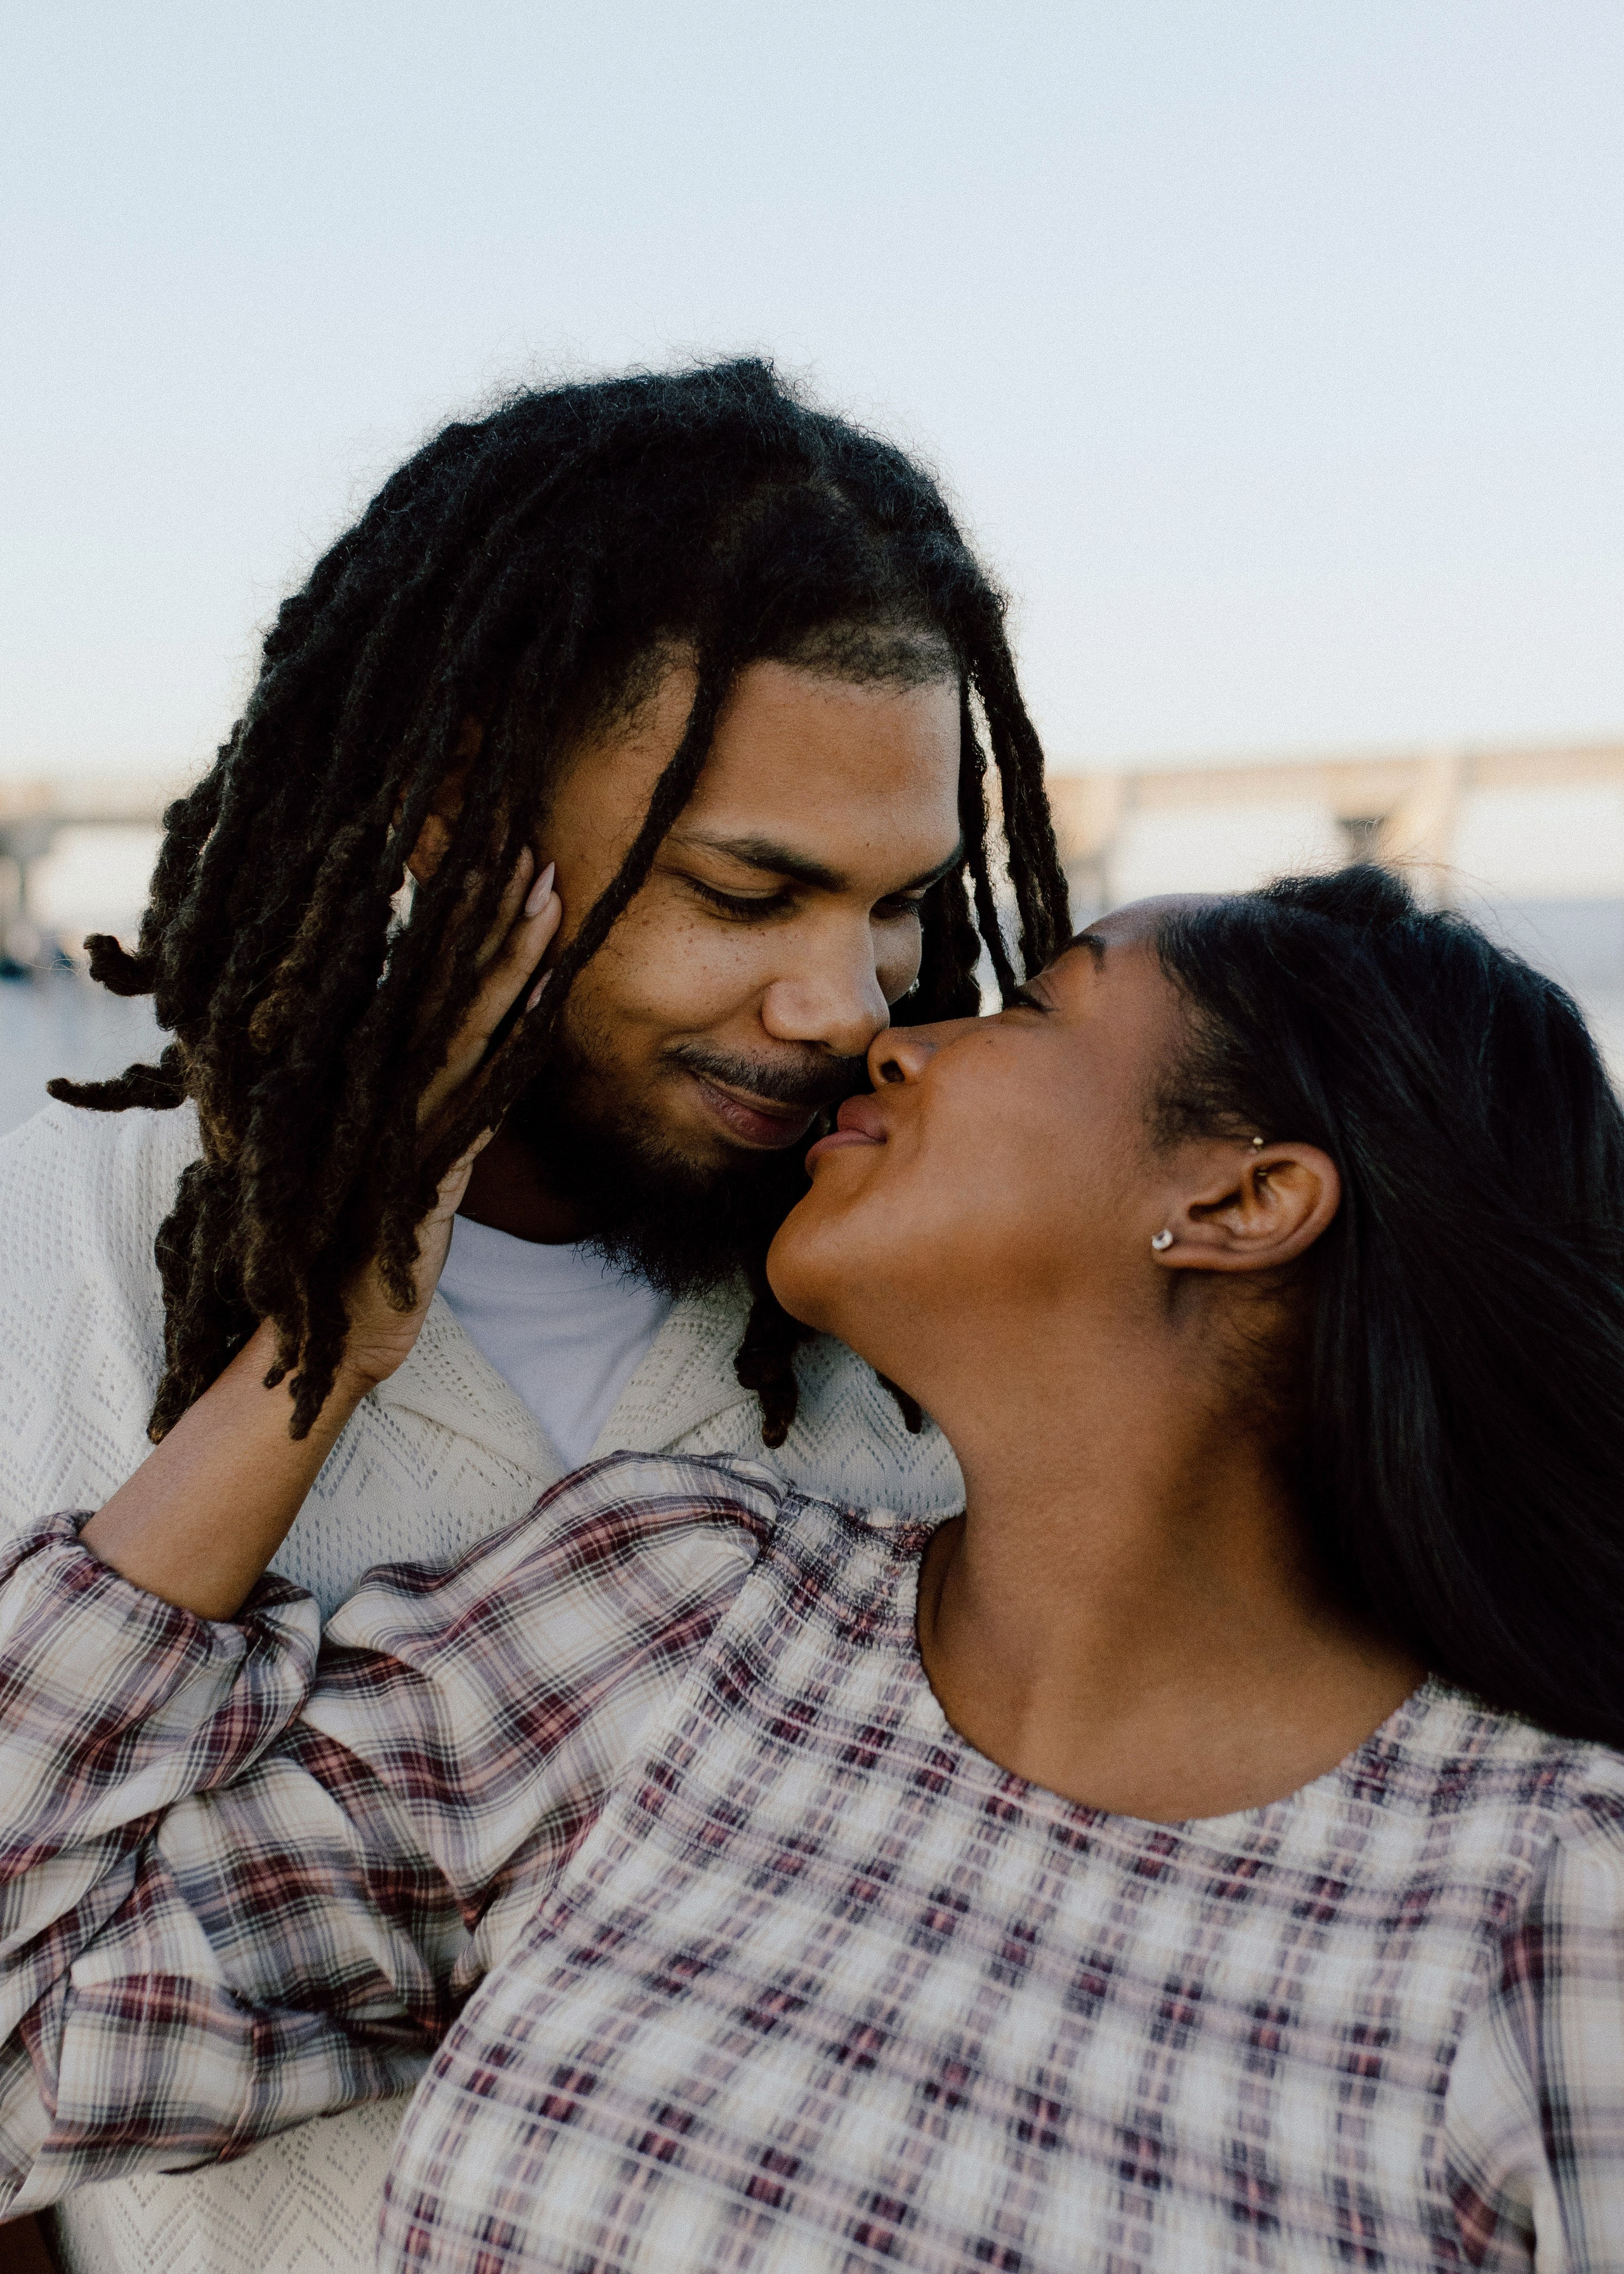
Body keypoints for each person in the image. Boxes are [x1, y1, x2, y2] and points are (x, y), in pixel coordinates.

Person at [5, 864, 1624, 2271]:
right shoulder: (672, 1616)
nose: (888, 1028)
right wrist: (316, 1358)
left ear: (1241, 1197)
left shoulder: (1556, 1908)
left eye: (1040, 1010)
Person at [0, 359, 1071, 2274]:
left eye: (901, 903)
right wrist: (309, 1366)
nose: (846, 1002)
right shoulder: (49, 1250)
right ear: (459, 807)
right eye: (748, 891)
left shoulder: (929, 1313)